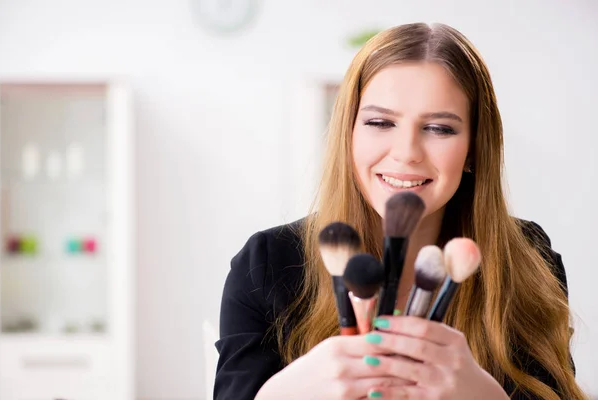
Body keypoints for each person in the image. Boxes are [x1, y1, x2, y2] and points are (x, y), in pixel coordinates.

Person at [213, 22, 586, 400]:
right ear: (349, 134)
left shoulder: (527, 256)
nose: (407, 151)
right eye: (379, 122)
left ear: (474, 148)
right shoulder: (268, 262)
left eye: (439, 128)